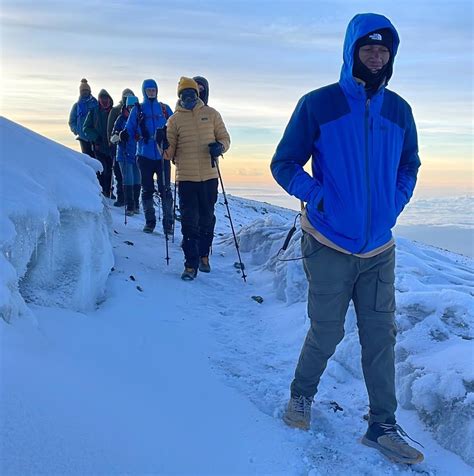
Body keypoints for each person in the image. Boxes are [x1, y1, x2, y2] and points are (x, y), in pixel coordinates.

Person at [271, 13, 423, 465]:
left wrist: (394, 204)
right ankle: (301, 396)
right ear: (351, 51)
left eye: (383, 50)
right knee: (327, 329)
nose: (376, 56)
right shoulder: (319, 104)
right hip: (329, 243)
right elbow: (284, 164)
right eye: (367, 48)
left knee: (381, 338)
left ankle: (382, 425)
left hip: (379, 248)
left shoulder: (399, 110)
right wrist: (318, 197)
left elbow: (409, 165)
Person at [165, 77, 230, 281]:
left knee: (207, 219)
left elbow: (225, 139)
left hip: (209, 176)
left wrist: (220, 147)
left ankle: (204, 255)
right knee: (189, 222)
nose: (188, 97)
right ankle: (190, 264)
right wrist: (162, 143)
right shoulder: (174, 120)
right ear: (180, 96)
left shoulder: (212, 114)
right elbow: (168, 154)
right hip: (186, 178)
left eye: (191, 93)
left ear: (198, 94)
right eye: (184, 94)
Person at [121, 79, 173, 234]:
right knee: (147, 189)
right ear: (144, 91)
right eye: (149, 90)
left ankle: (168, 224)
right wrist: (124, 134)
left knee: (166, 190)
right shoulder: (138, 110)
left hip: (163, 155)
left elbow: (175, 126)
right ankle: (150, 222)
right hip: (144, 155)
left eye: (154, 90)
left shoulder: (164, 109)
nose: (152, 92)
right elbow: (129, 128)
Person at [111, 96, 141, 216]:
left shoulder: (140, 119)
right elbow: (113, 137)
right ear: (126, 107)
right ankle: (130, 205)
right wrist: (120, 136)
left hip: (137, 153)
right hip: (124, 154)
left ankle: (136, 205)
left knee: (137, 179)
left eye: (134, 107)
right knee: (128, 178)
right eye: (130, 107)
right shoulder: (120, 119)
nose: (131, 109)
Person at [83, 89, 114, 197]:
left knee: (110, 171)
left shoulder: (113, 111)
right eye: (102, 98)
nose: (104, 101)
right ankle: (101, 192)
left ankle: (108, 192)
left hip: (111, 147)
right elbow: (86, 128)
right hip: (98, 146)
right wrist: (95, 137)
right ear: (99, 99)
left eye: (106, 98)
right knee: (102, 170)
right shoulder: (94, 111)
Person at [107, 88, 136, 207]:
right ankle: (121, 197)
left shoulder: (136, 113)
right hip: (119, 146)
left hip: (132, 149)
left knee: (131, 175)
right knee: (120, 174)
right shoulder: (116, 112)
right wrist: (112, 141)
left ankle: (130, 201)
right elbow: (111, 128)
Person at [68, 78, 98, 157]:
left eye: (86, 90)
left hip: (94, 137)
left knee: (97, 159)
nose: (84, 92)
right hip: (83, 138)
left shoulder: (95, 103)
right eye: (83, 91)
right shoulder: (77, 106)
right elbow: (72, 121)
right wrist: (76, 130)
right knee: (87, 158)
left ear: (89, 91)